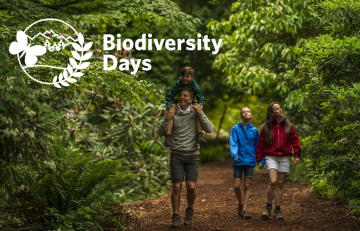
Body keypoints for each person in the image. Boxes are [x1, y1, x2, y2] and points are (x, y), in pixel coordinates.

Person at [158, 86, 213, 228]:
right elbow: (160, 132)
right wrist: (167, 117)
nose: (182, 97)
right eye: (180, 95)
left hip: (192, 155)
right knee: (176, 186)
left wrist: (201, 113)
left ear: (191, 99)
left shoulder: (196, 113)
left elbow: (210, 129)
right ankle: (175, 215)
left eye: (185, 96)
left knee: (191, 187)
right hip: (176, 154)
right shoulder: (173, 112)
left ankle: (190, 209)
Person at [256, 102, 301, 220]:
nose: (280, 110)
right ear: (272, 113)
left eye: (280, 108)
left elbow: (295, 141)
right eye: (277, 109)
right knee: (272, 181)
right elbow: (260, 144)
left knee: (280, 184)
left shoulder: (289, 125)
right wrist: (259, 159)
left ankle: (277, 210)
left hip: (285, 157)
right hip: (271, 156)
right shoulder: (266, 127)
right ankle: (268, 207)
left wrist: (297, 155)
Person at [229, 107, 260, 219]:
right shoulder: (235, 128)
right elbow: (233, 143)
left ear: (251, 115)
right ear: (241, 115)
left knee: (247, 185)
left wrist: (260, 160)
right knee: (237, 186)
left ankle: (245, 210)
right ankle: (240, 203)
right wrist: (234, 155)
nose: (246, 113)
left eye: (248, 111)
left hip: (250, 160)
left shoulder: (255, 131)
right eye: (243, 112)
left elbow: (257, 146)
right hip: (238, 160)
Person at [164, 67, 206, 147]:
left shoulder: (195, 85)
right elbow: (169, 96)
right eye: (183, 76)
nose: (185, 78)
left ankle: (199, 134)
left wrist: (198, 107)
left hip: (192, 102)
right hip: (178, 101)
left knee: (197, 109)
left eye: (187, 76)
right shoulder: (178, 83)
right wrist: (169, 107)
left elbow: (201, 98)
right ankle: (168, 136)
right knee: (171, 111)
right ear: (180, 76)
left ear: (192, 77)